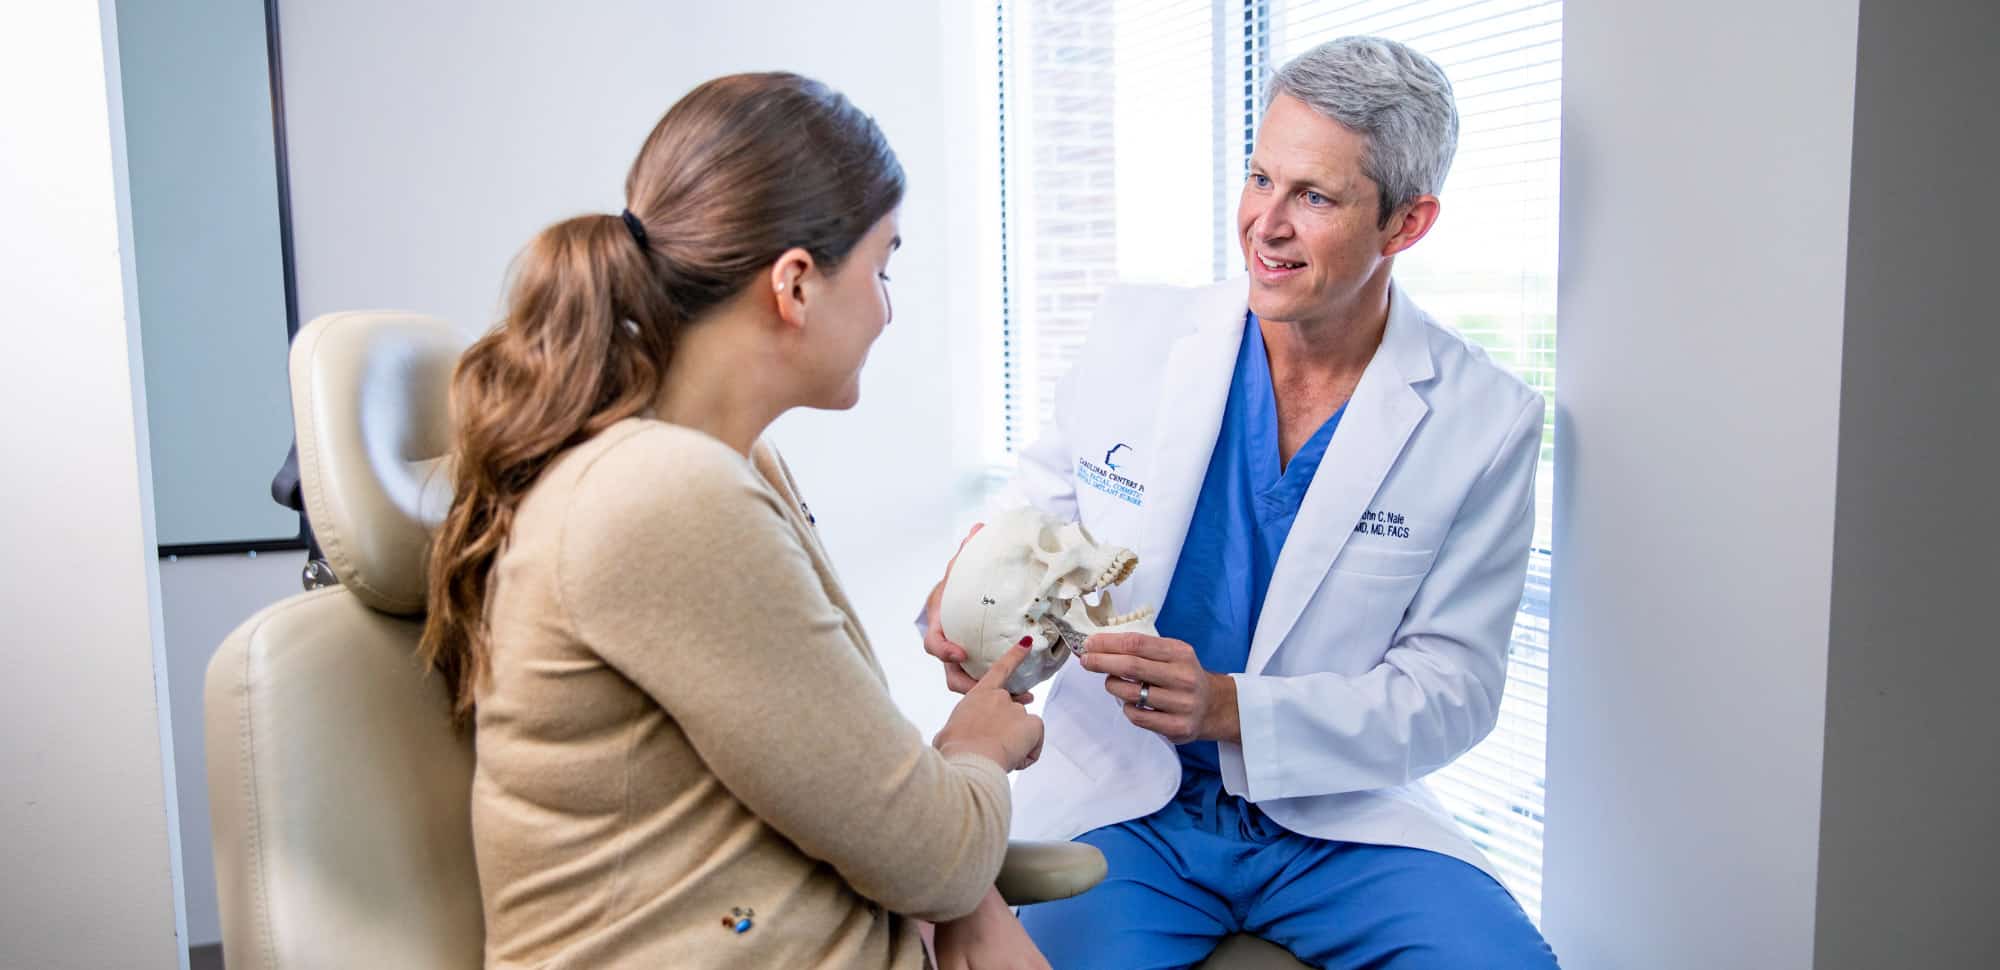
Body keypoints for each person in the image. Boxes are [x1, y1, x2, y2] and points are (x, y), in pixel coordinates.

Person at [922, 37, 1561, 968]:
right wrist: (962, 620)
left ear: (1406, 225)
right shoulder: (1136, 338)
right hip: (1126, 803)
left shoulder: (1484, 423)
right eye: (1261, 177)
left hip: (1336, 816)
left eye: (1315, 196)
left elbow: (1453, 692)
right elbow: (1030, 533)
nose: (1265, 222)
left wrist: (1229, 708)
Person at [420, 72, 1048, 970]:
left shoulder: (726, 465)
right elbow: (935, 858)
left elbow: (840, 798)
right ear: (795, 284)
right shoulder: (664, 494)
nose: (886, 306)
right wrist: (978, 752)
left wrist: (956, 868)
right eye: (881, 267)